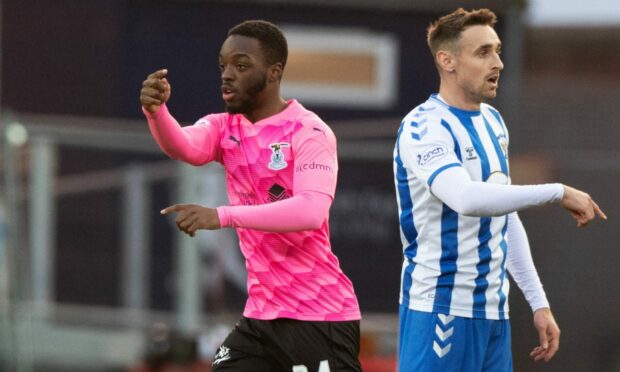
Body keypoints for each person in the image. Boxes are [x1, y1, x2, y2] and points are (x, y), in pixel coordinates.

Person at [140, 20, 361, 372]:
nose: (227, 75)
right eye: (223, 66)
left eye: (241, 66)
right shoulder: (224, 127)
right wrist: (157, 113)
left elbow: (311, 211)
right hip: (261, 317)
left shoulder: (309, 131)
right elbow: (184, 146)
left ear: (273, 73)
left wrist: (223, 215)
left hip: (318, 315)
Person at [393, 8, 606, 372]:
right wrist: (558, 192)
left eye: (498, 50)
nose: (498, 63)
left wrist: (538, 302)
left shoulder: (493, 122)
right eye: (483, 53)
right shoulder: (424, 127)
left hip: (494, 315)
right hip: (440, 311)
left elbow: (504, 219)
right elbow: (466, 199)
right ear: (447, 61)